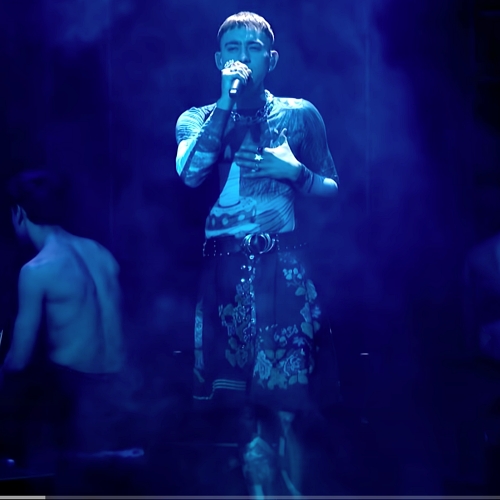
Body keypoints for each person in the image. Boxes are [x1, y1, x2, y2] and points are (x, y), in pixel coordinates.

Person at [175, 11, 340, 497]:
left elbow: (331, 187)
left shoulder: (300, 114)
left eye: (252, 49)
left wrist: (293, 173)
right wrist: (226, 103)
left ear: (272, 59)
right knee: (239, 409)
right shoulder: (196, 118)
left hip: (282, 268)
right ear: (217, 60)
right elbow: (191, 174)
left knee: (288, 407)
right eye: (232, 49)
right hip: (224, 273)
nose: (242, 58)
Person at [1, 170, 134, 493]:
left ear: (19, 213)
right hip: (120, 390)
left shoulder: (37, 270)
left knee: (16, 383)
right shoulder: (102, 254)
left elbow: (18, 359)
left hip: (75, 398)